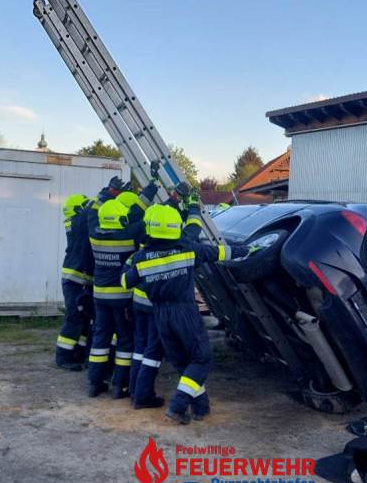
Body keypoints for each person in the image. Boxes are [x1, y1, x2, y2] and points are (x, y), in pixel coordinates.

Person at [122, 204, 252, 424]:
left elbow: (125, 282)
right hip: (184, 312)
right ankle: (178, 405)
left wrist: (131, 263)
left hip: (160, 315)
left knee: (184, 362)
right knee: (202, 359)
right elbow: (220, 252)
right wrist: (246, 249)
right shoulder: (189, 249)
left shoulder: (142, 258)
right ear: (176, 228)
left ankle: (201, 407)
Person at [128, 188, 204, 407]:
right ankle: (142, 396)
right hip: (157, 304)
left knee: (140, 347)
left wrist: (174, 199)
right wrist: (193, 206)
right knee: (153, 351)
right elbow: (193, 229)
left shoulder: (144, 234)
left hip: (139, 298)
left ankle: (134, 391)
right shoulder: (175, 243)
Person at [86, 175, 158, 399]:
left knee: (100, 339)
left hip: (100, 297)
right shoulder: (127, 235)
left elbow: (91, 211)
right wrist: (151, 189)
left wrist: (106, 193)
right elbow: (138, 214)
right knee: (125, 340)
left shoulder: (94, 233)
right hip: (122, 298)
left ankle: (95, 383)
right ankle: (120, 385)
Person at [55, 194, 94, 371]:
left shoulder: (77, 225)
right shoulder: (78, 223)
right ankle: (63, 357)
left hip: (78, 279)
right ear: (79, 210)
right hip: (74, 280)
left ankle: (78, 353)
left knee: (84, 317)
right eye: (85, 206)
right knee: (74, 317)